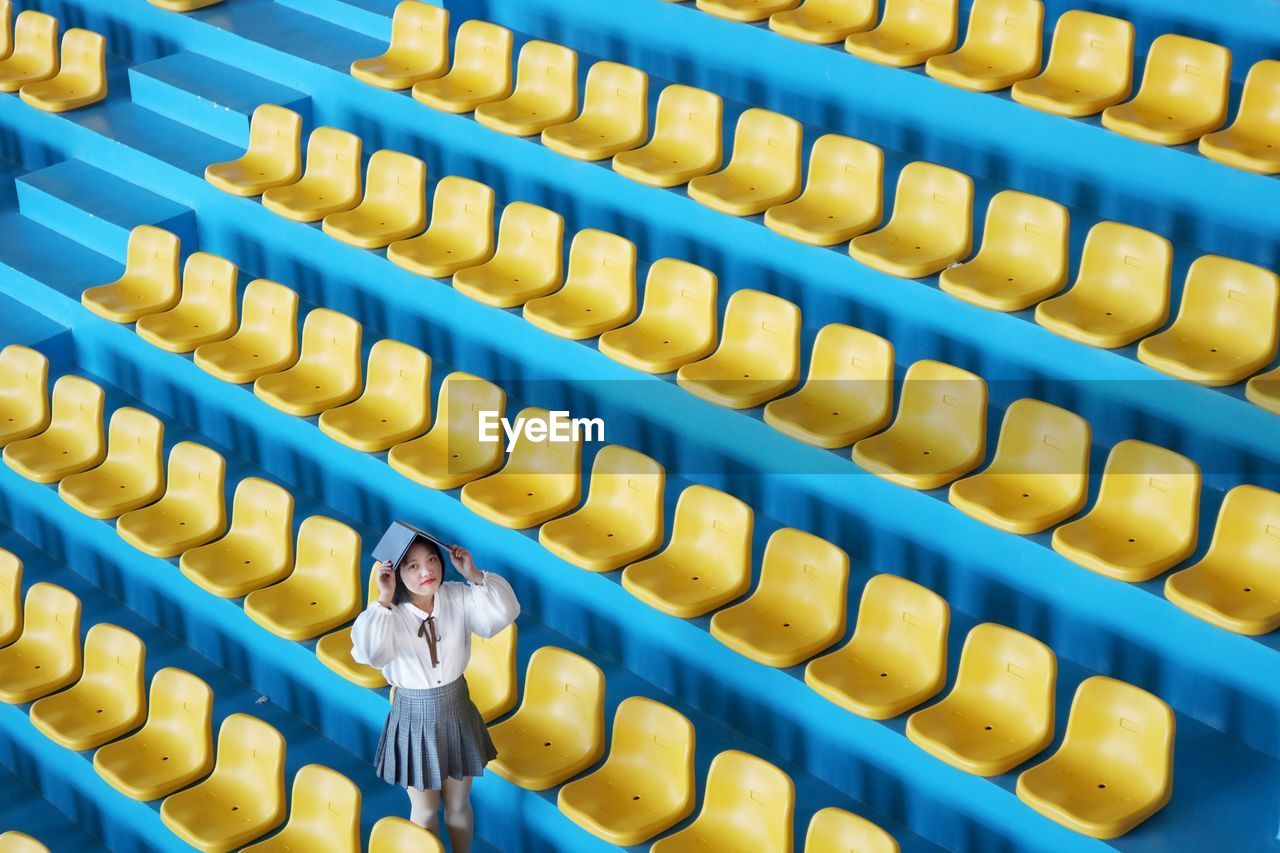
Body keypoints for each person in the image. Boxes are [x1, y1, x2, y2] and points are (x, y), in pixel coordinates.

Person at [351, 536, 519, 852]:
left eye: (431, 560)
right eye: (412, 566)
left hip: (456, 708)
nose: (426, 571)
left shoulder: (456, 595)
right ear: (395, 574)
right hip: (413, 718)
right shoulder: (391, 615)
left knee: (458, 804)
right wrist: (383, 598)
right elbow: (369, 652)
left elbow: (502, 613)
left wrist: (474, 575)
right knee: (426, 811)